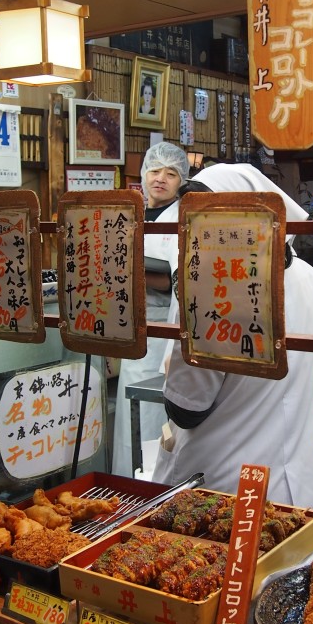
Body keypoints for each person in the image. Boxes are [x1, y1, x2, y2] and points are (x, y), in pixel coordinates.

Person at [152, 163, 313, 511]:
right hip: (293, 483)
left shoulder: (214, 290)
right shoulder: (309, 276)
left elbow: (186, 409)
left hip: (222, 487)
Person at [112, 141, 189, 476]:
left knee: (156, 422)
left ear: (181, 180)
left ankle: (152, 490)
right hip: (133, 333)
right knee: (132, 423)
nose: (161, 178)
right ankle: (125, 486)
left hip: (163, 335)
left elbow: (178, 282)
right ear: (143, 174)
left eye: (171, 173)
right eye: (155, 170)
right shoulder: (132, 211)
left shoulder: (182, 217)